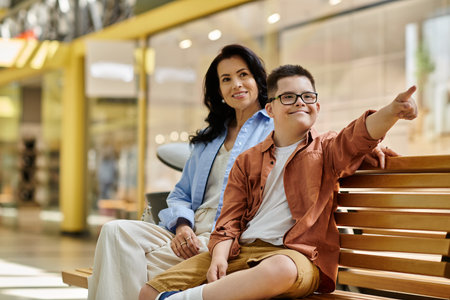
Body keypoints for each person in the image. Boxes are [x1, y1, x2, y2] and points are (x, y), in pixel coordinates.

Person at [139, 64, 418, 300]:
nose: (300, 102)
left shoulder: (327, 149)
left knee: (279, 271)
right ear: (269, 109)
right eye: (288, 97)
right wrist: (220, 257)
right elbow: (228, 221)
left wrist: (393, 110)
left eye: (307, 96)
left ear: (317, 106)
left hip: (297, 257)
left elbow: (359, 135)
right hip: (242, 250)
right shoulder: (247, 160)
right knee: (149, 291)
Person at [87, 44, 274, 300]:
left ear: (257, 80)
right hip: (189, 231)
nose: (237, 85)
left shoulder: (274, 131)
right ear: (219, 91)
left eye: (244, 75)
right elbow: (181, 193)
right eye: (226, 79)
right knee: (114, 232)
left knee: (121, 264)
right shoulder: (209, 139)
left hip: (224, 237)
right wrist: (183, 226)